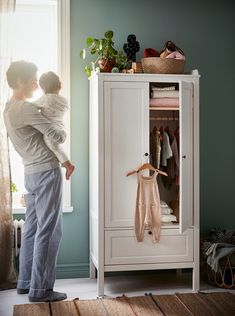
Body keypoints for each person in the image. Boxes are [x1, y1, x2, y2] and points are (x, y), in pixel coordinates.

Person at [4, 60, 68, 302]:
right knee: (49, 231)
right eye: (32, 78)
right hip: (46, 171)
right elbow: (56, 136)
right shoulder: (26, 108)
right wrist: (61, 128)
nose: (35, 82)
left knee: (31, 228)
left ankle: (26, 282)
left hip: (30, 174)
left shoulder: (8, 109)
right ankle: (41, 290)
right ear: (20, 81)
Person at [35, 71, 75, 180]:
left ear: (42, 88)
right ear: (59, 85)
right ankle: (63, 161)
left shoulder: (45, 99)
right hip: (61, 129)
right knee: (57, 148)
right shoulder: (64, 100)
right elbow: (65, 108)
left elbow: (31, 107)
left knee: (53, 146)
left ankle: (68, 165)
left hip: (52, 132)